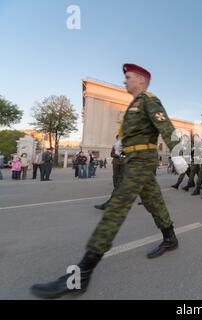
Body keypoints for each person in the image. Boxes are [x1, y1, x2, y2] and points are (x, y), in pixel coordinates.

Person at [31, 63, 188, 299]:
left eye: (128, 77)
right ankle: (170, 238)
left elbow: (165, 125)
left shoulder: (148, 99)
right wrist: (120, 143)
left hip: (142, 162)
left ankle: (82, 274)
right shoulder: (133, 105)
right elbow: (133, 133)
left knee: (116, 207)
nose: (124, 81)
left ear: (141, 80)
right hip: (134, 159)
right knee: (154, 201)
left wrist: (177, 154)